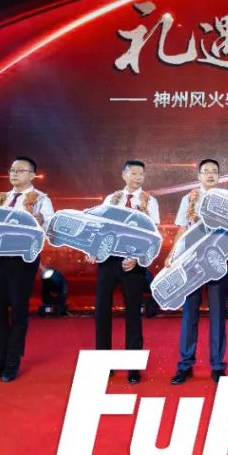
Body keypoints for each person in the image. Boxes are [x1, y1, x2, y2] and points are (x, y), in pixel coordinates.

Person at [0, 156, 54, 383]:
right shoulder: (1, 198)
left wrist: (41, 221)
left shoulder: (41, 200)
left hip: (22, 260)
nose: (14, 174)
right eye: (12, 170)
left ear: (32, 175)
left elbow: (49, 228)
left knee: (18, 311)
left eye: (20, 170)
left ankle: (12, 363)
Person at [89, 159, 160, 384]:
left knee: (133, 314)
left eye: (141, 174)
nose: (138, 177)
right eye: (134, 173)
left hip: (133, 262)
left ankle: (133, 367)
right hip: (108, 260)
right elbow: (99, 228)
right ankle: (103, 365)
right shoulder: (111, 199)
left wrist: (138, 259)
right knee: (102, 312)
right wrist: (93, 250)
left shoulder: (149, 201)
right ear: (124, 175)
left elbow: (153, 235)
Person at [168, 158, 228, 384]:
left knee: (217, 315)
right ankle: (185, 365)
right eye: (206, 171)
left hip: (216, 262)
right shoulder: (189, 199)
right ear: (199, 176)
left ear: (219, 176)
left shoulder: (227, 199)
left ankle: (218, 365)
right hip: (191, 263)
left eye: (214, 171)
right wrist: (172, 256)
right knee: (189, 315)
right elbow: (182, 229)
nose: (210, 175)